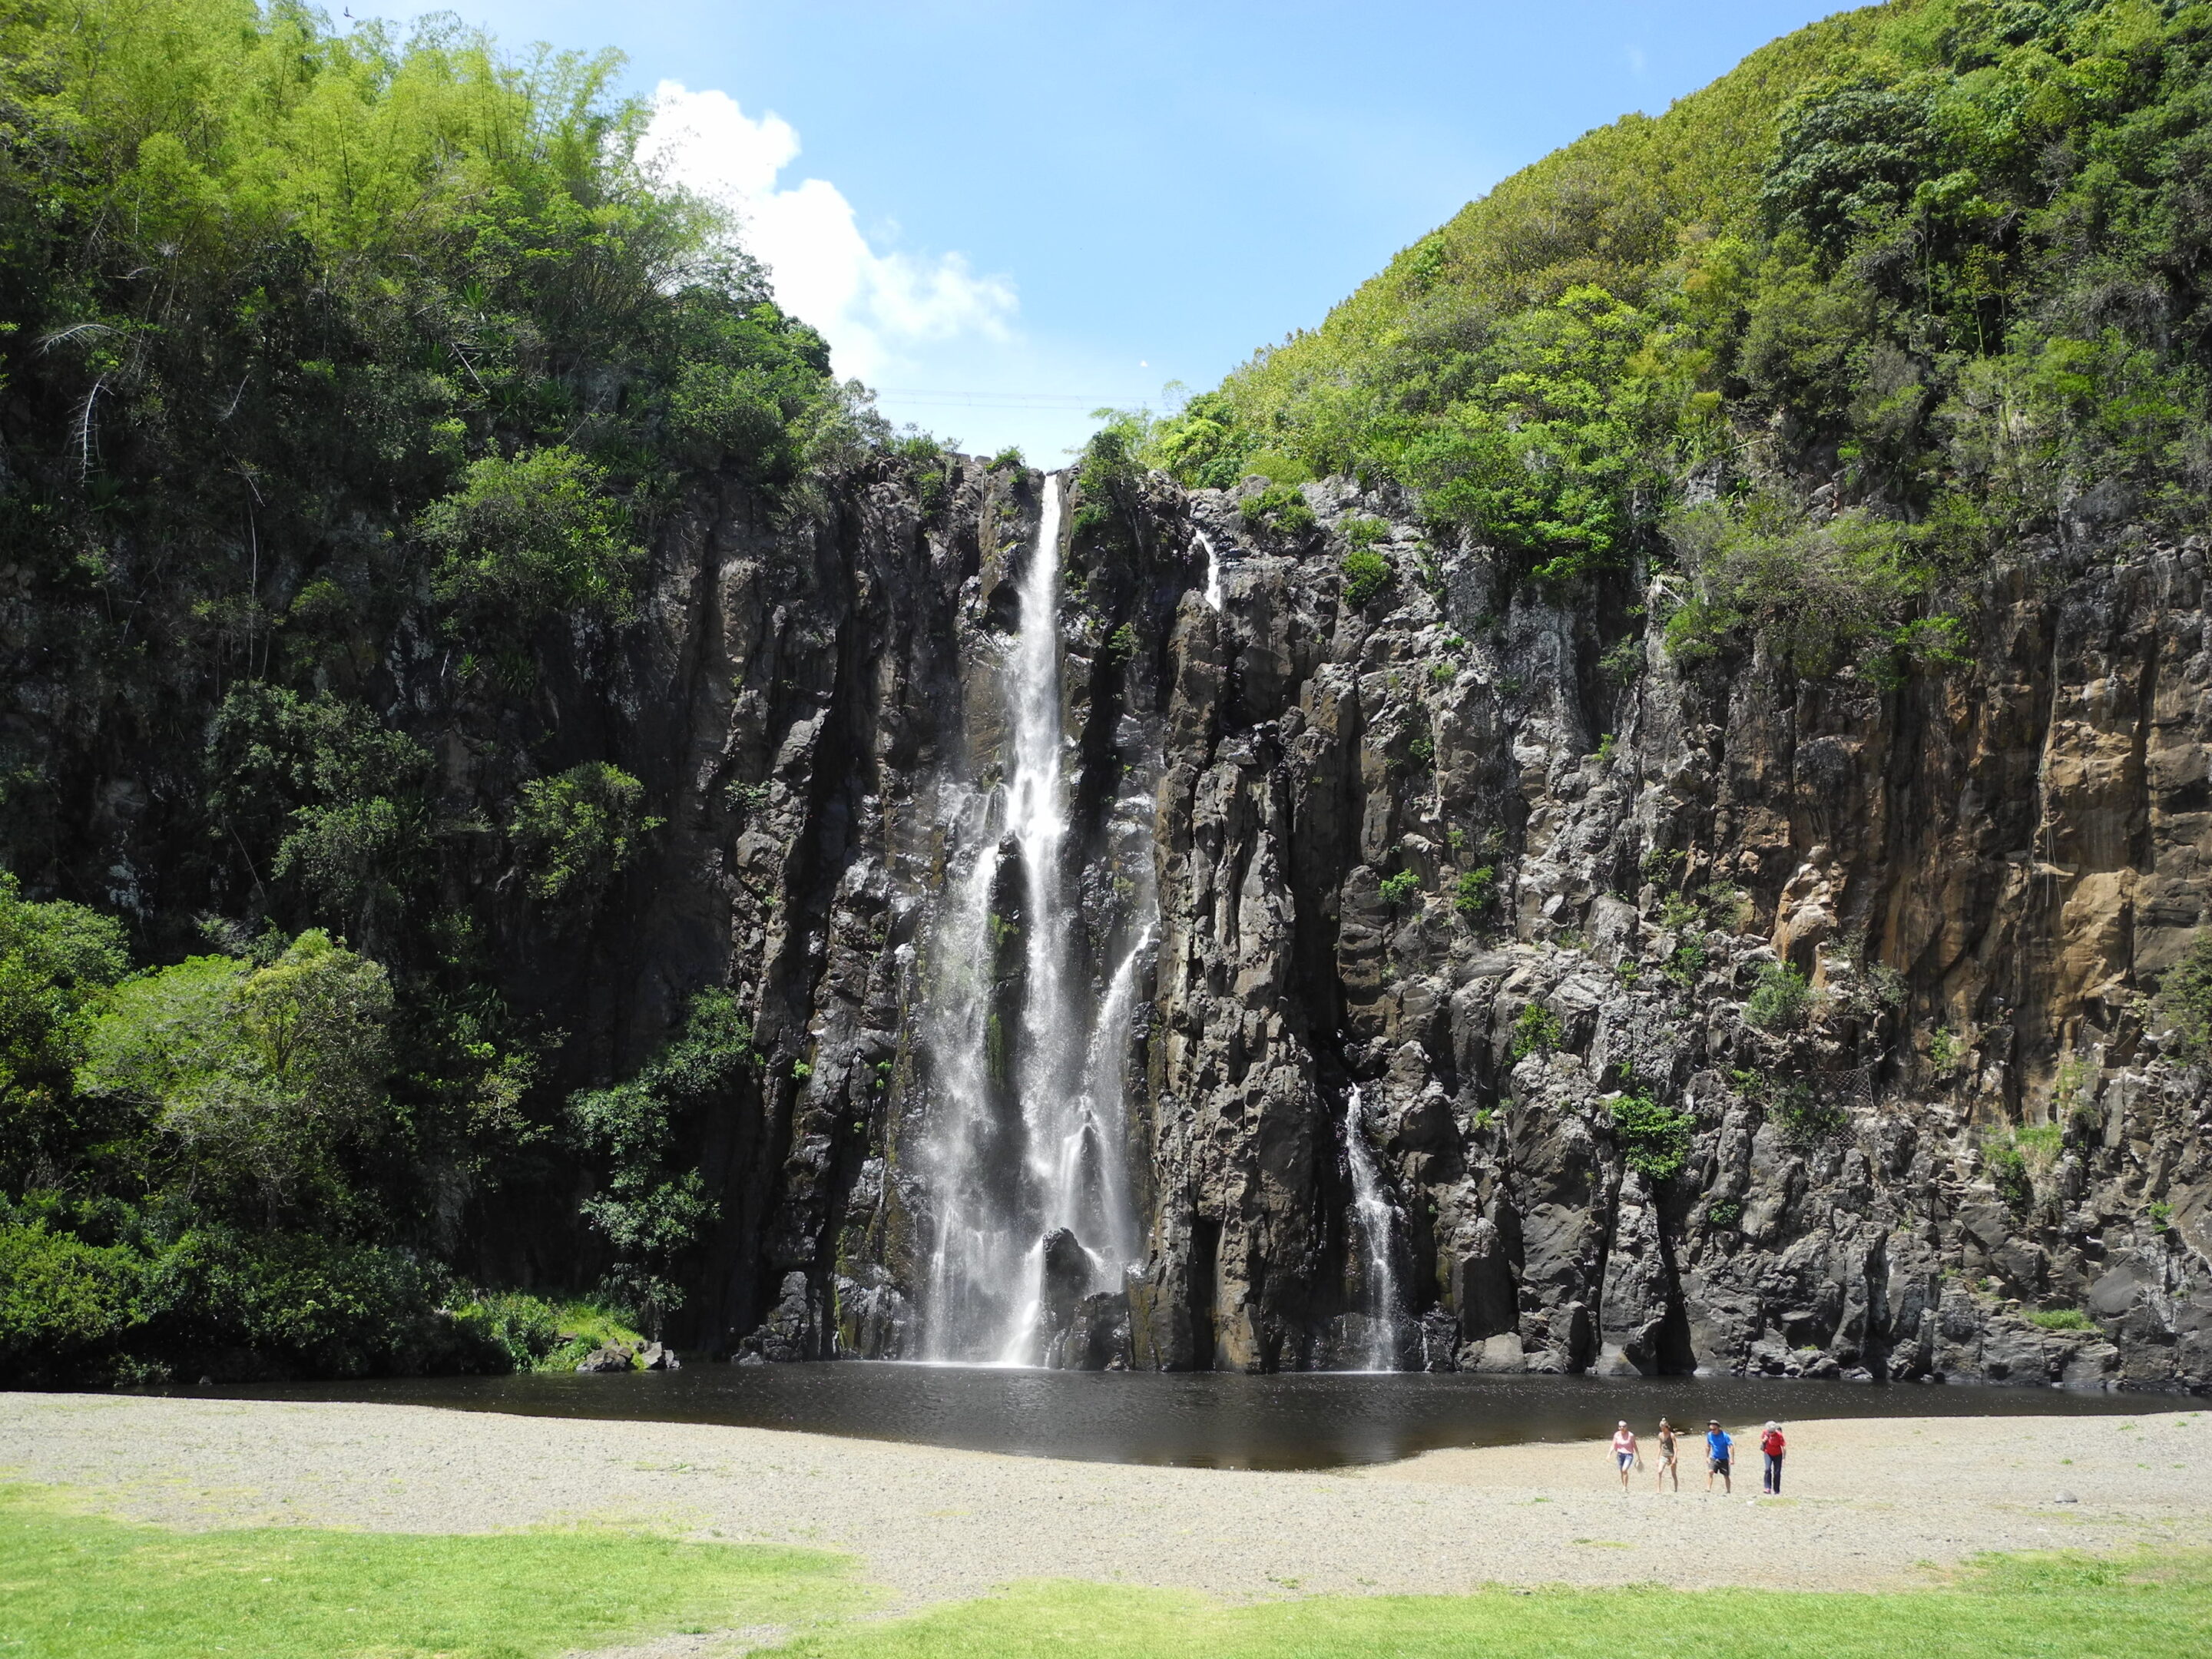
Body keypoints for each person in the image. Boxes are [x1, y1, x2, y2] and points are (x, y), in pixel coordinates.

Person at [1704, 1419, 1733, 1495]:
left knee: (1726, 1475)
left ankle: (1728, 1491)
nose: (1713, 1431)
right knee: (1710, 1471)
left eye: (1714, 1429)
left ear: (1718, 1428)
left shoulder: (1725, 1436)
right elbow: (1708, 1446)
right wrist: (1707, 1457)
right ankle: (1708, 1488)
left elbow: (1731, 1446)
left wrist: (1732, 1459)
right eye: (1711, 1429)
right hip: (1714, 1457)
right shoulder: (1710, 1435)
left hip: (1724, 1458)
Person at [1610, 1419, 1638, 1491]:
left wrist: (1639, 1457)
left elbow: (1635, 1446)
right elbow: (1613, 1445)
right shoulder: (1617, 1435)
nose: (1622, 1428)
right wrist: (1609, 1454)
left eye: (1624, 1426)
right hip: (1620, 1455)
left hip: (1629, 1455)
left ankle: (1625, 1487)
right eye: (1620, 1427)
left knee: (1624, 1470)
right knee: (1621, 1471)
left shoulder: (1631, 1435)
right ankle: (1624, 1486)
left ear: (1627, 1427)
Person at [1760, 1420, 1786, 1495]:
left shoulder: (1779, 1435)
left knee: (1777, 1472)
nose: (1771, 1433)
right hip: (1768, 1453)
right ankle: (1767, 1488)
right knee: (1767, 1469)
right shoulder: (1765, 1432)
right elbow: (1762, 1440)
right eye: (1770, 1432)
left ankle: (1776, 1490)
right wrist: (1764, 1440)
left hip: (1778, 1454)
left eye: (1772, 1432)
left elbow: (1784, 1447)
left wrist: (1784, 1458)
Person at [1654, 1416, 1679, 1492]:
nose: (1662, 1429)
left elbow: (1675, 1448)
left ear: (1666, 1427)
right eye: (1661, 1427)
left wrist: (1674, 1459)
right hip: (1663, 1455)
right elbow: (1660, 1447)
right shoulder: (1660, 1435)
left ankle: (1675, 1489)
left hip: (1671, 1455)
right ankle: (1658, 1489)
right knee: (1659, 1471)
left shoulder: (1671, 1435)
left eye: (1663, 1427)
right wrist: (1657, 1458)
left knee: (1673, 1474)